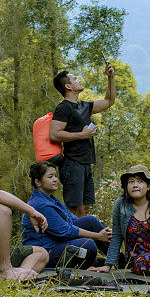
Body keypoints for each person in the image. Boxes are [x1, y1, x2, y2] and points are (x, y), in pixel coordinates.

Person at [50, 62, 116, 218]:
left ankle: (85, 241)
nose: (78, 80)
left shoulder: (84, 106)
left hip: (86, 164)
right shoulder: (64, 107)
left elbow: (109, 101)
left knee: (85, 209)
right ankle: (74, 240)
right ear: (68, 86)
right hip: (73, 164)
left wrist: (111, 77)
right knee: (74, 209)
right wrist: (81, 135)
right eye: (74, 78)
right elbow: (54, 134)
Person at [21, 162, 112, 269]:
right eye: (50, 177)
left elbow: (72, 219)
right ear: (38, 182)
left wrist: (100, 233)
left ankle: (115, 258)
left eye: (55, 176)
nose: (55, 179)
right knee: (88, 245)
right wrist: (98, 236)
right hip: (47, 251)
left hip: (58, 242)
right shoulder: (40, 204)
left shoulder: (50, 198)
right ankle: (89, 264)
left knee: (90, 221)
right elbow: (66, 231)